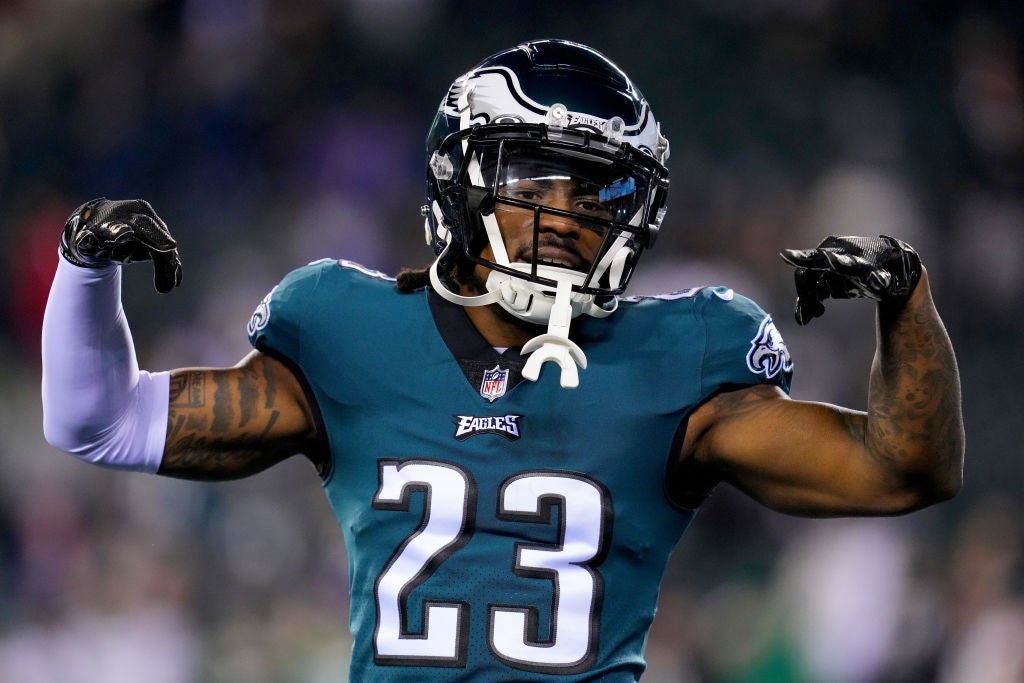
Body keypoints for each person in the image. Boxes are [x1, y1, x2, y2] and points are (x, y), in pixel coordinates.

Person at [41, 39, 964, 681]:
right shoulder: (348, 329)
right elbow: (100, 421)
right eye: (536, 179)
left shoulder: (681, 357)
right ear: (460, 176)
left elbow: (904, 468)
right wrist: (84, 274)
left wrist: (905, 301)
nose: (568, 214)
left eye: (599, 190)